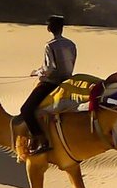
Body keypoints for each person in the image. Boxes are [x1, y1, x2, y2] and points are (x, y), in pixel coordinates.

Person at [21, 14, 77, 155]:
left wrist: (37, 72)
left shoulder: (50, 45)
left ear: (49, 28)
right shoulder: (71, 44)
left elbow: (49, 69)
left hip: (52, 83)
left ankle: (41, 140)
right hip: (66, 82)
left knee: (26, 110)